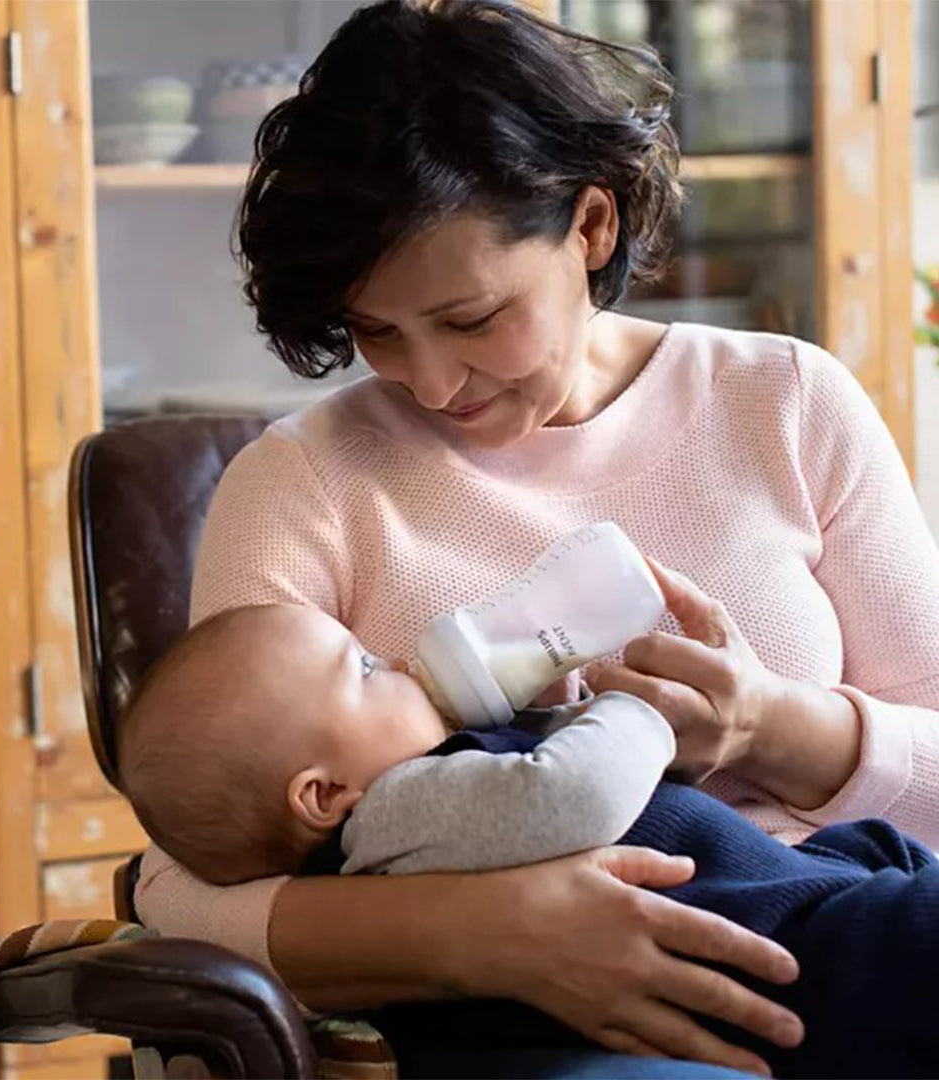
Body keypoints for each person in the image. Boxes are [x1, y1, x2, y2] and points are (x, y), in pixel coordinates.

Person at [134, 1, 939, 1077]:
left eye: (471, 320)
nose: (428, 381)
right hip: (540, 1025)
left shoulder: (786, 401)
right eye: (376, 331)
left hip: (841, 923)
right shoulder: (307, 483)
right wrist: (489, 936)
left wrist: (768, 727)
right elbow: (185, 886)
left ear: (591, 226)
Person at [120, 601, 939, 1080]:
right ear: (326, 794)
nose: (400, 658)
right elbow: (574, 791)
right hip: (788, 954)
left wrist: (558, 709)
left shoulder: (431, 798)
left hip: (810, 891)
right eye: (366, 669)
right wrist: (642, 716)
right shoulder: (395, 814)